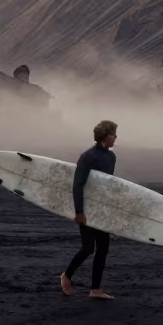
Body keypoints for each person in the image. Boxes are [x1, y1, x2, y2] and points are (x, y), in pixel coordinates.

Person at [60, 120, 117, 300]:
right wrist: (79, 212)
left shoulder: (111, 157)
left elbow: (106, 185)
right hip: (86, 207)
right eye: (114, 134)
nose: (116, 137)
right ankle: (67, 275)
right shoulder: (88, 157)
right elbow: (78, 185)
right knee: (87, 248)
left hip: (101, 208)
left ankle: (95, 289)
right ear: (106, 135)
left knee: (103, 248)